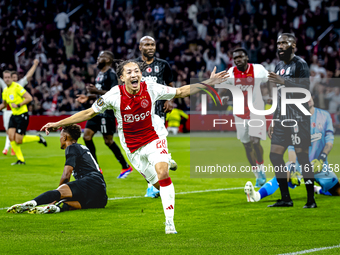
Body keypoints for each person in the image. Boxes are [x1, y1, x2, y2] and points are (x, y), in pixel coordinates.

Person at [41, 61, 228, 234]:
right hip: (134, 150)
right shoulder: (114, 95)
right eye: (129, 72)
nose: (134, 74)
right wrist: (58, 123)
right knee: (157, 185)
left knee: (163, 174)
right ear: (122, 78)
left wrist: (208, 82)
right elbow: (89, 112)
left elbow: (180, 91)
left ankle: (169, 222)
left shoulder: (151, 88)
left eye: (137, 71)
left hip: (153, 140)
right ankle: (167, 162)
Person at [245, 98, 339, 202]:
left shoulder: (325, 116)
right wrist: (293, 168)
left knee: (337, 191)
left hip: (319, 165)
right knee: (282, 173)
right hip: (299, 164)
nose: (308, 99)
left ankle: (318, 190)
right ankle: (256, 196)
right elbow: (291, 146)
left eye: (309, 96)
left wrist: (321, 159)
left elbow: (329, 141)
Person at [7, 124, 108, 214]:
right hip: (101, 196)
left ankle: (31, 203)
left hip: (92, 181)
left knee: (60, 194)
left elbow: (66, 175)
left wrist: (57, 195)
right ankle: (56, 209)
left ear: (64, 137)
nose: (60, 139)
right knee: (66, 202)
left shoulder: (71, 147)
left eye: (60, 136)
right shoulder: (82, 147)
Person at [267, 33, 315, 208]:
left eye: (284, 43)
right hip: (281, 118)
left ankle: (311, 199)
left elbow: (305, 89)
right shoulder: (279, 65)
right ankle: (286, 198)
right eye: (278, 43)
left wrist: (283, 81)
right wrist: (273, 118)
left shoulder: (300, 64)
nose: (280, 46)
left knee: (302, 157)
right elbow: (278, 95)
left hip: (298, 118)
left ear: (293, 45)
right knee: (274, 155)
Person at [76, 51, 132, 178]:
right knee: (87, 136)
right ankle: (95, 167)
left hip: (107, 113)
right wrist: (89, 96)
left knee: (108, 141)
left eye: (101, 56)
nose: (98, 58)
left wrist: (96, 91)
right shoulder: (100, 74)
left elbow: (115, 92)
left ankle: (125, 166)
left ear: (108, 60)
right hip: (97, 110)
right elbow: (100, 94)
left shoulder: (111, 74)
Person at [135, 36, 178, 197]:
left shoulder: (163, 65)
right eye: (147, 44)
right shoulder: (134, 66)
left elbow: (171, 86)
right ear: (140, 47)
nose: (150, 47)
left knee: (151, 145)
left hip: (158, 112)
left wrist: (170, 100)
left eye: (152, 44)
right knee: (142, 149)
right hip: (137, 113)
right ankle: (166, 158)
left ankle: (152, 186)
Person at [222, 48, 268, 187]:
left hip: (256, 110)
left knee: (255, 142)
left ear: (247, 57)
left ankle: (261, 168)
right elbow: (224, 86)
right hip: (240, 113)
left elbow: (269, 79)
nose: (238, 60)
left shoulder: (258, 69)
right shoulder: (231, 73)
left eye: (240, 57)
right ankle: (257, 173)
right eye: (235, 58)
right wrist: (223, 95)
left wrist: (271, 94)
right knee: (247, 145)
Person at [0, 70, 47, 165]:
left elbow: (29, 98)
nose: (7, 79)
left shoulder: (17, 87)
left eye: (9, 77)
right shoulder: (5, 91)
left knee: (18, 140)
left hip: (22, 115)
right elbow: (4, 105)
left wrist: (19, 104)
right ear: (4, 79)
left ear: (11, 78)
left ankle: (38, 138)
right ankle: (20, 160)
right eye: (5, 77)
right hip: (14, 115)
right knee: (10, 136)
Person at [1, 59, 40, 155]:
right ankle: (10, 149)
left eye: (14, 77)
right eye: (11, 77)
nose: (12, 79)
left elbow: (29, 76)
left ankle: (9, 148)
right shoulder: (5, 88)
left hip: (19, 112)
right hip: (8, 111)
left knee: (16, 136)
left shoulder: (19, 85)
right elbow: (4, 104)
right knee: (9, 133)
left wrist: (34, 65)